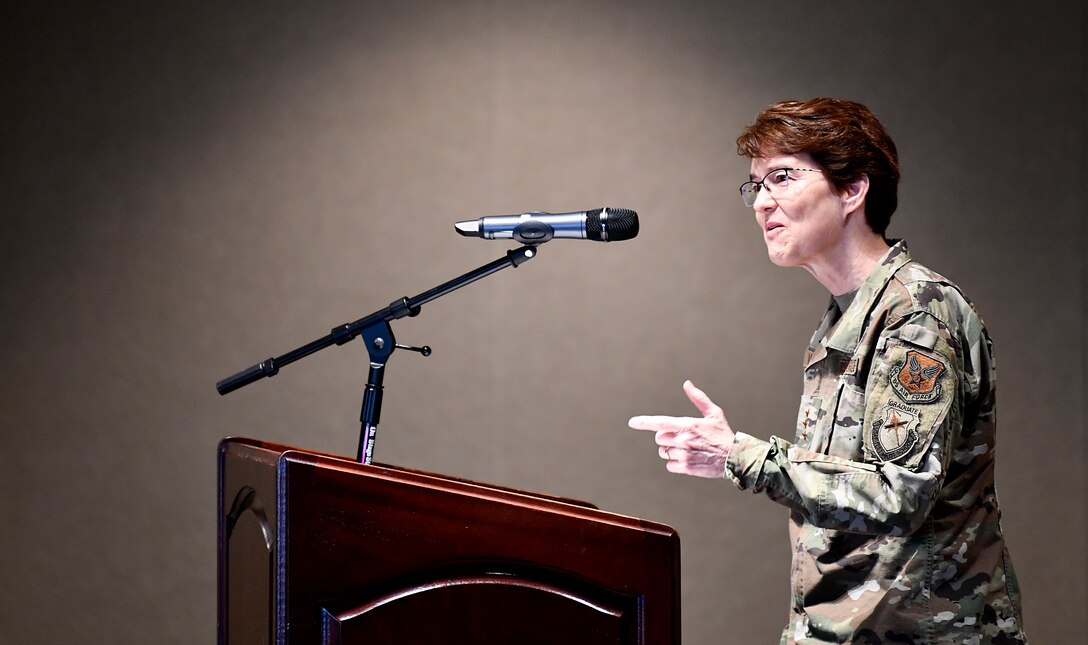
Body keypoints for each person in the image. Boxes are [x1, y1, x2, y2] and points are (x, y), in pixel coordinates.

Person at [628, 98, 1026, 644]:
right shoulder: (846, 316)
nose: (761, 203)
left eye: (782, 178)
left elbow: (898, 494)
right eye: (755, 185)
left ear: (852, 190)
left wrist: (738, 454)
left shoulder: (915, 314)